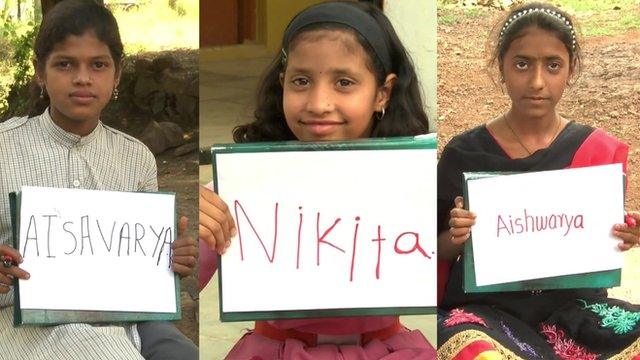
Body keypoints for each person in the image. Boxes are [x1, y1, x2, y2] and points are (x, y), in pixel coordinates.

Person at [198, 2, 436, 359]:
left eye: (344, 82)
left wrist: (455, 233)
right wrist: (195, 225)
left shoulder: (416, 185)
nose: (318, 102)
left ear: (383, 93)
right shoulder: (241, 187)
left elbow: (445, 277)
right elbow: (178, 277)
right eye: (301, 81)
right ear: (283, 84)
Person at [437, 2, 640, 359]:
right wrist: (457, 236)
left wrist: (625, 234)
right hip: (486, 313)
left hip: (575, 311)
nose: (536, 81)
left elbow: (595, 240)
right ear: (501, 67)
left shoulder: (596, 152)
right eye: (521, 64)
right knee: (475, 351)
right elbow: (434, 252)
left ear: (570, 70)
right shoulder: (463, 154)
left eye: (553, 65)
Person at [0, 1, 198, 359]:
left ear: (117, 74)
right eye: (65, 64)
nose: (83, 78)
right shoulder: (4, 146)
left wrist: (172, 260)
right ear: (40, 72)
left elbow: (145, 263)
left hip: (122, 318)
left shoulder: (135, 156)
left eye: (98, 64)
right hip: (19, 322)